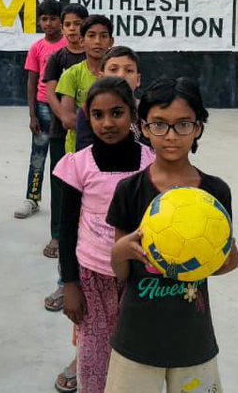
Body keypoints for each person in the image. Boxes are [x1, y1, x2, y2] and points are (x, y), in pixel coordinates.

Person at [105, 77, 238, 392]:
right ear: (144, 128)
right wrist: (119, 252)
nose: (171, 136)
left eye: (182, 125)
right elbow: (121, 271)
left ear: (198, 128)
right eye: (159, 125)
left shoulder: (215, 192)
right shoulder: (129, 190)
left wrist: (218, 254)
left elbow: (227, 261)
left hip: (192, 336)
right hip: (136, 335)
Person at [54, 77, 155, 393]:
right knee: (95, 357)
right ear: (87, 115)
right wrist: (69, 284)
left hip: (140, 276)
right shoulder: (77, 165)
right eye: (98, 115)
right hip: (91, 277)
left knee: (138, 356)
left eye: (117, 113)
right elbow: (67, 229)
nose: (107, 123)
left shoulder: (150, 163)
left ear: (133, 114)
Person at [40, 2, 90, 264]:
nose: (73, 29)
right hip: (62, 131)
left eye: (78, 24)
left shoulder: (95, 56)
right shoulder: (57, 58)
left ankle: (86, 233)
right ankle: (58, 235)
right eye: (68, 24)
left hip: (91, 135)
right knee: (60, 184)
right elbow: (50, 91)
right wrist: (66, 117)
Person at [17, 0, 65, 219]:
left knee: (65, 157)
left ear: (61, 21)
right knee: (38, 155)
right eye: (44, 19)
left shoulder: (70, 45)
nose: (48, 24)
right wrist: (32, 114)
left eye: (53, 19)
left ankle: (68, 200)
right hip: (43, 107)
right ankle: (32, 198)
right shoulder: (37, 47)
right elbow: (31, 81)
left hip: (66, 107)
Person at [56, 16, 115, 152]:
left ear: (111, 41)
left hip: (113, 150)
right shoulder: (71, 75)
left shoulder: (117, 75)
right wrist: (108, 127)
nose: (97, 41)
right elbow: (68, 120)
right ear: (82, 41)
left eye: (103, 36)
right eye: (91, 36)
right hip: (78, 150)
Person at [75, 46, 144, 150]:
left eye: (129, 70)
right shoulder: (87, 110)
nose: (121, 75)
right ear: (101, 77)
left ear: (138, 79)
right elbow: (84, 149)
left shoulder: (146, 109)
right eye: (113, 69)